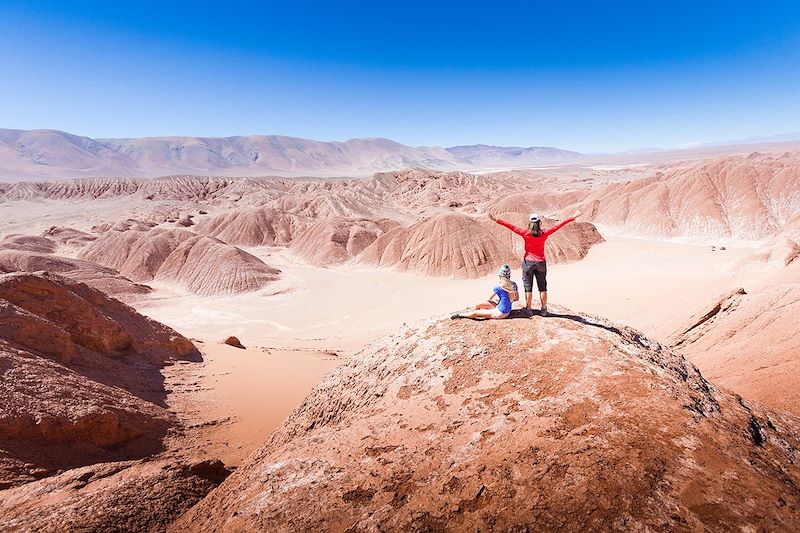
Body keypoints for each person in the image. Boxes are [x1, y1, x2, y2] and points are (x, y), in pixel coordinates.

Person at [489, 209, 582, 316]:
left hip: (528, 263)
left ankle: (528, 309)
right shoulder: (544, 233)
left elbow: (511, 227)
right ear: (539, 223)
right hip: (541, 263)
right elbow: (558, 226)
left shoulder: (525, 233)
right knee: (542, 287)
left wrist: (496, 220)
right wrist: (573, 217)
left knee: (528, 287)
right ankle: (543, 309)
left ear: (530, 223)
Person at [452, 264, 518, 320]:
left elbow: (488, 299)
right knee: (479, 304)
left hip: (500, 313)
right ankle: (469, 311)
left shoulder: (498, 287)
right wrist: (504, 299)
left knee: (476, 313)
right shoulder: (513, 285)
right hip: (505, 310)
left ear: (500, 275)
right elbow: (516, 298)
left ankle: (461, 315)